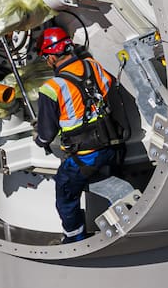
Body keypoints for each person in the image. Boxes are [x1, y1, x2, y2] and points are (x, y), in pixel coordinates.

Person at [30, 25, 126, 243]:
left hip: (84, 156)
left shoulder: (51, 88)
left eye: (46, 57)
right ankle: (122, 226)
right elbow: (108, 85)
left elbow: (46, 134)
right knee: (113, 184)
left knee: (65, 198)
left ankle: (74, 239)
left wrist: (40, 139)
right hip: (112, 146)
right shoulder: (93, 66)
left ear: (51, 57)